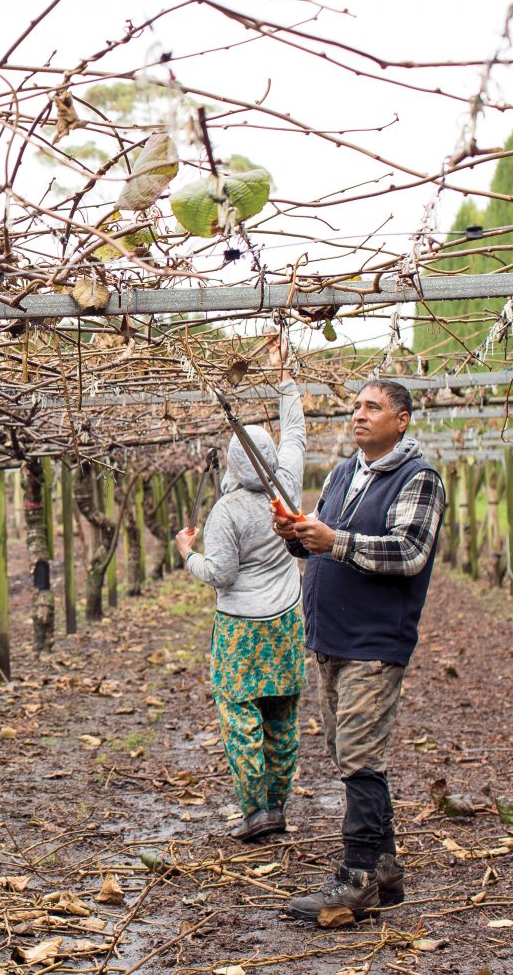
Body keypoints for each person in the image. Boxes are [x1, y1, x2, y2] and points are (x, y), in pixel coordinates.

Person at [273, 379, 446, 923]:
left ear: (402, 420)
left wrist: (335, 541)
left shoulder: (420, 479)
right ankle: (386, 867)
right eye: (356, 406)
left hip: (376, 640)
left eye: (373, 407)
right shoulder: (343, 473)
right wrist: (296, 534)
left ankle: (357, 878)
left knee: (360, 758)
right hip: (329, 635)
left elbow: (410, 551)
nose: (359, 415)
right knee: (349, 753)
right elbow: (322, 540)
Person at [175, 338, 305, 844]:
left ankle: (255, 811)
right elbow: (294, 429)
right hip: (287, 621)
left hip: (240, 629)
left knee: (241, 715)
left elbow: (221, 575)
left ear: (231, 464)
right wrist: (285, 378)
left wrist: (188, 553)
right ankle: (277, 804)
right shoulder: (287, 487)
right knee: (282, 715)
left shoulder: (226, 513)